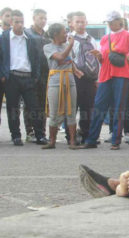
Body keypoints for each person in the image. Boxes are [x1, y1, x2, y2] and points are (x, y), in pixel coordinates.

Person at [80, 11, 129, 150]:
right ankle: (91, 139)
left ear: (119, 21)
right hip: (105, 75)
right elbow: (103, 59)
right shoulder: (105, 38)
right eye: (108, 22)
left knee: (118, 108)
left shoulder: (128, 35)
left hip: (121, 75)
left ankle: (116, 140)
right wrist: (98, 55)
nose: (110, 24)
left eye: (112, 21)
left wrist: (126, 59)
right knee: (98, 107)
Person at [0, 10, 47, 146]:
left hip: (28, 78)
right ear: (11, 22)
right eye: (16, 22)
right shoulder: (4, 38)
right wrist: (3, 75)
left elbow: (36, 60)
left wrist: (35, 76)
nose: (20, 25)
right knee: (12, 108)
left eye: (21, 22)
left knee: (35, 107)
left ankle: (40, 135)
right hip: (11, 78)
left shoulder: (31, 39)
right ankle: (16, 136)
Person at [42, 23, 84, 149]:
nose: (66, 35)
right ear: (55, 34)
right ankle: (52, 141)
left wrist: (75, 70)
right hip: (55, 81)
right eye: (63, 32)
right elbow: (60, 57)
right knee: (54, 112)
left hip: (70, 80)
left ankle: (72, 142)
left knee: (71, 110)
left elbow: (69, 60)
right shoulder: (48, 47)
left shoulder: (66, 46)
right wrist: (71, 45)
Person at [70, 11, 99, 144]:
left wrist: (97, 79)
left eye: (83, 21)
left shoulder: (91, 39)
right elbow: (67, 59)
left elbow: (97, 59)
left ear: (86, 23)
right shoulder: (69, 39)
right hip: (74, 78)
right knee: (72, 108)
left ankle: (86, 134)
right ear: (71, 23)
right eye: (77, 22)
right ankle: (70, 137)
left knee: (87, 108)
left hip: (89, 79)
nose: (81, 24)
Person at [24, 9, 50, 143]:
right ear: (34, 18)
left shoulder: (48, 35)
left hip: (46, 74)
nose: (43, 21)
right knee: (30, 105)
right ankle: (30, 132)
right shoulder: (27, 34)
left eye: (45, 18)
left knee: (42, 105)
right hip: (31, 74)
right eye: (41, 18)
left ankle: (42, 132)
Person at [0, 7, 12, 126]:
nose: (9, 18)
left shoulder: (17, 35)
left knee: (12, 106)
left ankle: (15, 134)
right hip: (1, 74)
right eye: (7, 15)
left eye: (11, 16)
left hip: (12, 75)